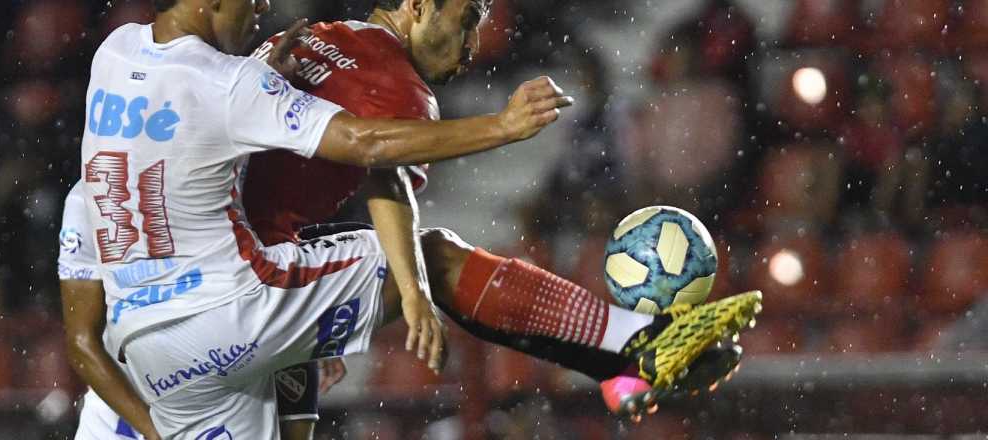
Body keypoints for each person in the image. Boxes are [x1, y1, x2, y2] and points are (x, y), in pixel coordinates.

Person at [81, 0, 758, 437]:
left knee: (379, 307)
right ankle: (634, 342)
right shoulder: (396, 87)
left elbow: (378, 176)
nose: (476, 39)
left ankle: (619, 363)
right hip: (237, 301)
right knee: (438, 260)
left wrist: (405, 289)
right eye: (467, 17)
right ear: (415, 6)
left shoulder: (301, 42)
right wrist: (501, 126)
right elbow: (373, 147)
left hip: (143, 331)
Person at [59, 181, 345, 440]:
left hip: (229, 382)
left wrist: (314, 322)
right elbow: (81, 343)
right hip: (125, 405)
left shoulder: (223, 178)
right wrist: (155, 433)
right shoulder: (88, 199)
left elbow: (282, 272)